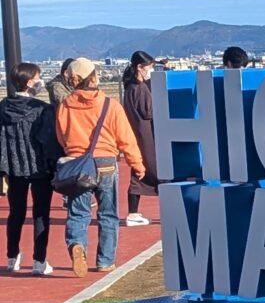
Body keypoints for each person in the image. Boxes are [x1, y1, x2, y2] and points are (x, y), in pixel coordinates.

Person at [55, 57, 145, 277]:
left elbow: (61, 135)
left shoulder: (65, 105)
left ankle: (77, 244)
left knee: (78, 213)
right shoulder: (110, 105)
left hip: (78, 165)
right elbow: (125, 137)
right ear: (94, 77)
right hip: (106, 163)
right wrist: (137, 163)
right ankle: (105, 261)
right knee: (108, 214)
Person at [0, 63, 61, 274]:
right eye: (38, 77)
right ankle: (39, 260)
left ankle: (11, 257)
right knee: (41, 214)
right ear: (29, 82)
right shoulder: (41, 109)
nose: (40, 81)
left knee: (15, 212)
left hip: (14, 169)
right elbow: (48, 141)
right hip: (40, 168)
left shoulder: (3, 108)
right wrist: (54, 165)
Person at [121, 51, 159, 227]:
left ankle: (133, 212)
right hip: (147, 137)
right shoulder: (140, 89)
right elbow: (149, 112)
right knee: (157, 172)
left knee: (138, 173)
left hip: (136, 135)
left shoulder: (129, 88)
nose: (151, 70)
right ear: (140, 67)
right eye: (149, 67)